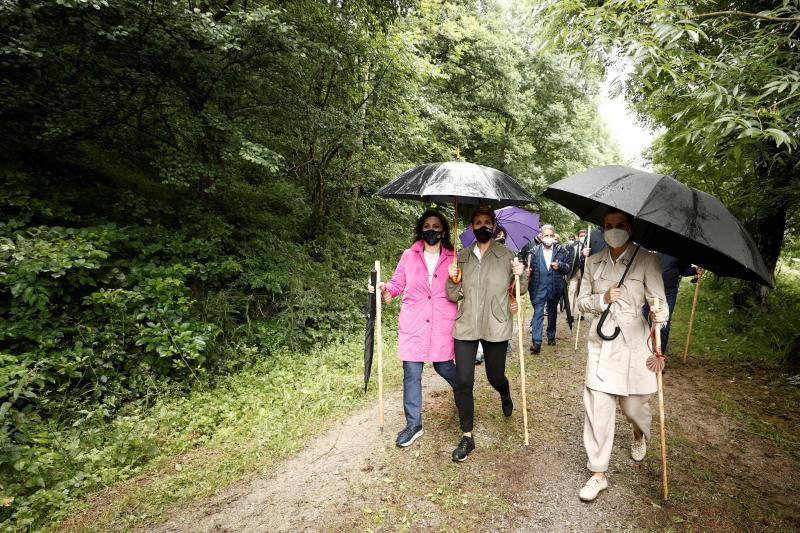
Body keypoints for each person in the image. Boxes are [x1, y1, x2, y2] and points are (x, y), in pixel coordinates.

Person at [575, 208, 668, 502]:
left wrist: (657, 312)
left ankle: (639, 433)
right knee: (598, 410)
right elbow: (579, 303)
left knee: (633, 409)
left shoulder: (647, 260)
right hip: (602, 342)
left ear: (630, 228)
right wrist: (602, 299)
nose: (613, 229)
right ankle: (598, 473)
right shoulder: (593, 262)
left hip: (635, 343)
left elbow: (661, 305)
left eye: (620, 225)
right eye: (608, 225)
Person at [371, 209, 459, 448]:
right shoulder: (409, 255)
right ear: (421, 229)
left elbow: (461, 289)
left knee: (445, 368)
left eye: (436, 226)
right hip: (414, 323)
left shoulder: (454, 257)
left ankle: (464, 396)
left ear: (444, 231)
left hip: (442, 322)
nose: (432, 230)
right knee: (411, 374)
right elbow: (398, 283)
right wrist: (385, 288)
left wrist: (456, 278)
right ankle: (413, 424)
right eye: (427, 226)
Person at [446, 207, 526, 462]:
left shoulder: (507, 255)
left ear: (494, 227)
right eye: (478, 223)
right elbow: (451, 293)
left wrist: (520, 275)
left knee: (494, 375)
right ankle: (467, 436)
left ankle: (504, 391)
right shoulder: (462, 257)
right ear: (471, 227)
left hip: (496, 324)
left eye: (487, 222)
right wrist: (453, 280)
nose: (482, 226)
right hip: (466, 324)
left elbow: (520, 290)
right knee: (464, 379)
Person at [644, 253, 706, 354]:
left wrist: (695, 270)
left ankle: (658, 357)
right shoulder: (647, 245)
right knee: (644, 322)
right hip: (647, 290)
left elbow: (683, 269)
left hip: (668, 292)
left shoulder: (677, 248)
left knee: (663, 325)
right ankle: (642, 356)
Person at [526, 224, 571, 354]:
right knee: (538, 314)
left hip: (554, 288)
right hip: (538, 288)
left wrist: (560, 265)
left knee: (552, 314)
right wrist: (527, 272)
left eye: (551, 235)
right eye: (546, 235)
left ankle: (551, 336)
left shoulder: (561, 251)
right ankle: (537, 342)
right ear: (541, 236)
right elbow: (529, 269)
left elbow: (568, 268)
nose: (549, 238)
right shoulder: (533, 252)